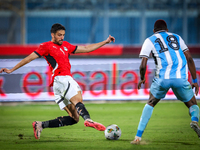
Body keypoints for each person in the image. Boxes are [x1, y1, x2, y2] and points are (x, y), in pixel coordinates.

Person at [0, 23, 115, 139]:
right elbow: (28, 58)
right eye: (59, 35)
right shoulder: (46, 46)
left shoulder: (66, 45)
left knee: (74, 118)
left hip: (57, 85)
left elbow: (86, 49)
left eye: (63, 35)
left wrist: (105, 42)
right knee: (78, 99)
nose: (62, 37)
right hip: (62, 79)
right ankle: (88, 120)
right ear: (53, 35)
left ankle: (40, 125)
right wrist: (11, 70)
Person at [131, 19, 200, 144]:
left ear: (154, 30)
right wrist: (195, 80)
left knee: (150, 103)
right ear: (167, 30)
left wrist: (142, 78)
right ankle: (194, 120)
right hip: (180, 78)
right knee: (192, 104)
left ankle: (137, 137)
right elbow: (189, 58)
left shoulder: (150, 40)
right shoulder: (177, 37)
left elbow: (143, 64)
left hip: (162, 79)